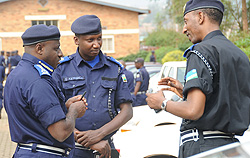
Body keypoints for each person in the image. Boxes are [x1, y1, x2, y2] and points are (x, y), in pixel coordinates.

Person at [146, 0, 250, 157]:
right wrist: (187, 92)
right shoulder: (239, 54)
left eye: (186, 21)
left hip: (204, 147)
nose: (184, 29)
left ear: (200, 17)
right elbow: (223, 100)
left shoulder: (201, 50)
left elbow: (193, 110)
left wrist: (162, 103)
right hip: (232, 148)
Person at [52, 15, 133, 158]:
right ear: (76, 40)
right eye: (90, 40)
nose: (96, 44)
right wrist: (86, 140)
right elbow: (55, 112)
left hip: (106, 148)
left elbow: (127, 111)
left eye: (99, 38)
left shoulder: (114, 68)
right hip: (73, 149)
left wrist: (98, 134)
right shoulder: (61, 69)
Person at [4, 24, 88, 158]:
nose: (60, 53)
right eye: (56, 48)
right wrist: (74, 110)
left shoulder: (17, 74)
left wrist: (63, 107)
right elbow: (60, 132)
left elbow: (30, 112)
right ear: (39, 48)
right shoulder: (38, 80)